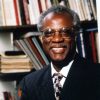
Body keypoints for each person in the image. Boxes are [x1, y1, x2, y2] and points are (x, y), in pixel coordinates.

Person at [18, 5, 100, 100]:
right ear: (42, 39)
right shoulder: (29, 83)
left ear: (75, 36)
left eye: (65, 32)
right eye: (49, 32)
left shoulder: (97, 76)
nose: (57, 39)